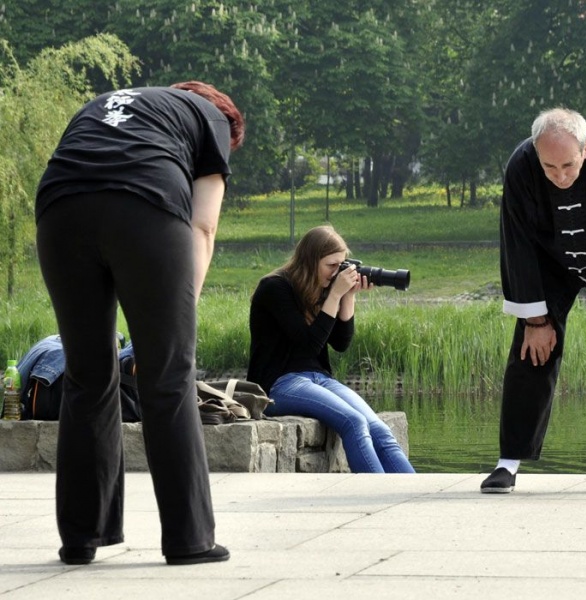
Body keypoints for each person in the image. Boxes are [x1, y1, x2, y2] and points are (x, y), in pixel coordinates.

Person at [35, 82, 245, 565]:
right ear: (227, 125)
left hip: (59, 210)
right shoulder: (211, 119)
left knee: (86, 377)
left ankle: (83, 538)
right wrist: (178, 307)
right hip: (144, 207)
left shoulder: (111, 103)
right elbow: (203, 225)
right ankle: (190, 539)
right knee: (167, 375)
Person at [480, 107, 586, 495]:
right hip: (548, 263)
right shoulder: (521, 167)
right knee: (531, 352)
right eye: (549, 167)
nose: (559, 176)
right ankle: (507, 464)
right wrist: (536, 321)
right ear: (535, 153)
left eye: (568, 166)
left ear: (585, 150)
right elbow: (517, 243)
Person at [247, 225, 415, 474]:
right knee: (354, 422)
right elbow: (307, 344)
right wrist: (334, 295)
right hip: (278, 384)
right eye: (331, 266)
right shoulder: (274, 288)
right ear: (310, 261)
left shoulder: (318, 288)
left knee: (378, 429)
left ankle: (415, 495)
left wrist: (348, 296)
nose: (337, 273)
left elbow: (340, 343)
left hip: (318, 379)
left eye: (341, 265)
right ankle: (379, 495)